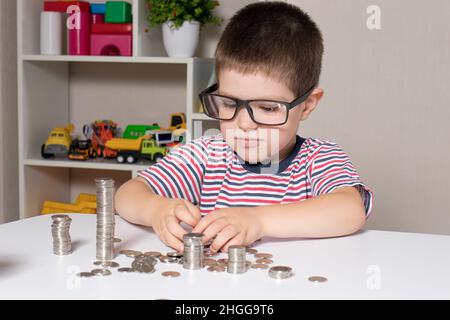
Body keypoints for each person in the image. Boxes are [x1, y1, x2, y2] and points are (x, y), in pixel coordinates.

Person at [115, 1, 373, 253]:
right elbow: (127, 194)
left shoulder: (319, 158)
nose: (244, 124)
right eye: (228, 103)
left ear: (306, 105)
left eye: (268, 108)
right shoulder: (205, 156)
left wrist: (258, 221)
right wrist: (156, 210)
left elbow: (350, 210)